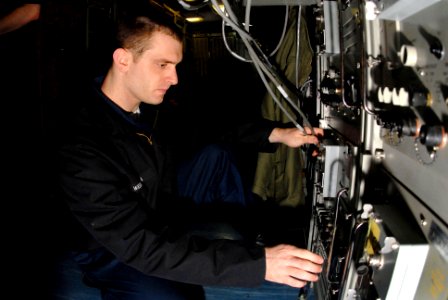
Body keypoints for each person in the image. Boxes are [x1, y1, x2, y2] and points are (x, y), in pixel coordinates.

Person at [57, 9, 324, 300]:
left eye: (175, 66)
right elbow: (139, 244)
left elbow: (207, 127)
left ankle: (250, 235)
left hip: (159, 201)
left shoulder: (146, 102)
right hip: (112, 248)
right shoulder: (81, 145)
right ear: (123, 60)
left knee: (216, 155)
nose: (173, 78)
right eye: (162, 65)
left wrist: (279, 134)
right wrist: (256, 265)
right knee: (179, 296)